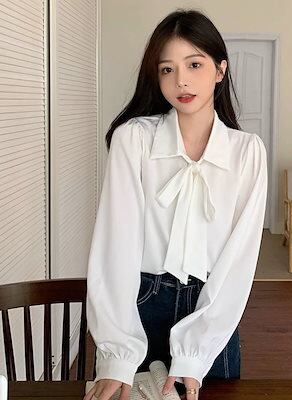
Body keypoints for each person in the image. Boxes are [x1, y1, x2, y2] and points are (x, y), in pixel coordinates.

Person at [83, 8, 268, 400]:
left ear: (220, 70)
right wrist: (117, 356)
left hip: (212, 312)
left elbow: (238, 262)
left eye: (194, 64)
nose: (181, 80)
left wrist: (197, 351)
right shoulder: (134, 140)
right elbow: (116, 249)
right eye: (167, 69)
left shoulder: (247, 152)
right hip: (140, 306)